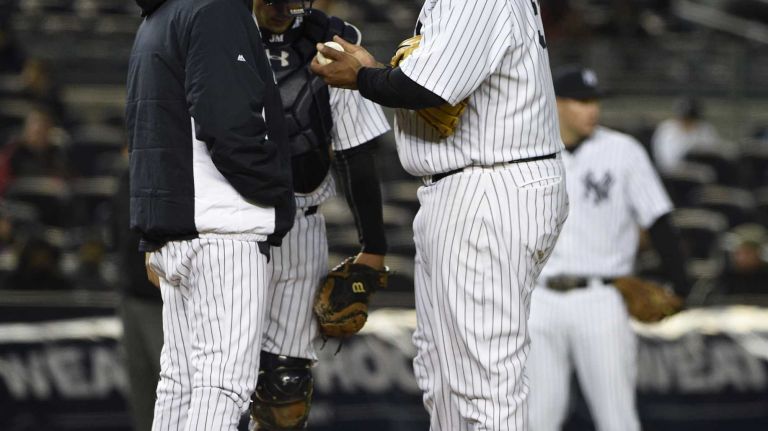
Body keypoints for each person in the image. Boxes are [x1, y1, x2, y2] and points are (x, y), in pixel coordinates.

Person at [311, 1, 569, 429]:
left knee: (484, 383)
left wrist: (361, 77)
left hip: (488, 186)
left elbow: (429, 88)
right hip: (474, 184)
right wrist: (374, 69)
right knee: (444, 374)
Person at [125, 0, 294, 430]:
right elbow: (229, 126)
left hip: (180, 227)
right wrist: (278, 189)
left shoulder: (157, 17)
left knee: (180, 384)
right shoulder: (215, 8)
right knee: (223, 385)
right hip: (222, 230)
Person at [248, 1, 390, 429]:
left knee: (284, 388)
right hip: (230, 225)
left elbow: (355, 151)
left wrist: (374, 247)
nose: (278, 7)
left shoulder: (333, 39)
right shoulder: (214, 31)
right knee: (215, 378)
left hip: (300, 223)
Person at [526, 66, 690, 431]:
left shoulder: (623, 151)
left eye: (595, 101)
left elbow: (659, 220)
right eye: (582, 101)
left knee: (617, 419)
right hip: (539, 299)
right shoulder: (529, 151)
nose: (592, 110)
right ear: (556, 104)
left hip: (600, 298)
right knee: (537, 418)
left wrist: (681, 284)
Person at [651, 97, 722, 174]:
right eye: (685, 118)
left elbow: (714, 152)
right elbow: (667, 162)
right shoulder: (667, 129)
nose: (688, 121)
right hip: (672, 174)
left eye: (691, 118)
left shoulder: (704, 129)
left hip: (701, 170)